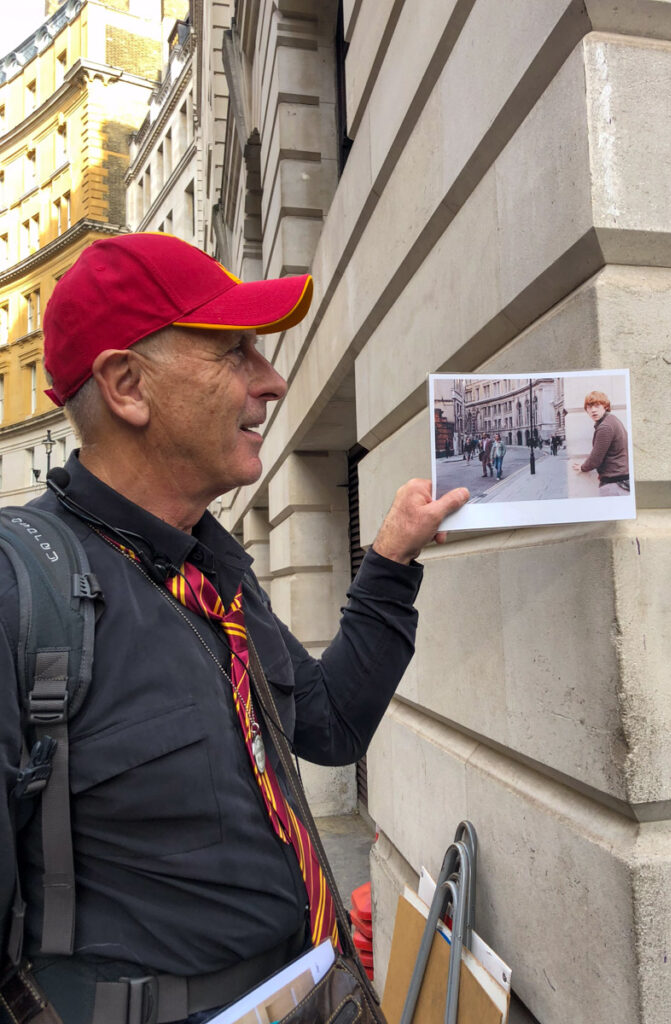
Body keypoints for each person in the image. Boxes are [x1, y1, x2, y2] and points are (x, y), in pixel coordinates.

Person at [0, 233, 469, 1024]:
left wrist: (388, 559)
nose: (274, 380)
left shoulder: (213, 576)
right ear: (126, 385)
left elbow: (329, 724)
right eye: (235, 353)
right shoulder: (20, 589)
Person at [571, 390, 630, 495]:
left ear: (605, 406)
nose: (593, 410)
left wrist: (583, 467)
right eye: (589, 407)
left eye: (597, 406)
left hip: (614, 484)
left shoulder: (605, 427)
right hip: (621, 481)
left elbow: (595, 459)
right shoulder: (612, 420)